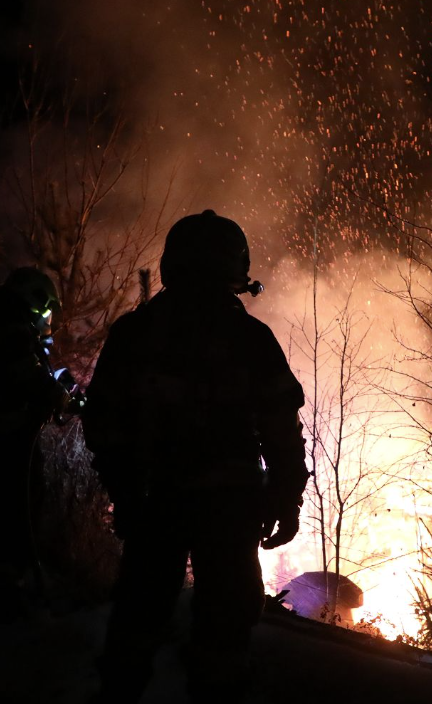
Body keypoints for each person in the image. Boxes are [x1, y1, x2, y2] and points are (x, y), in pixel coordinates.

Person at [82, 210, 308, 702]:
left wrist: (123, 491)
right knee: (225, 630)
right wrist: (286, 498)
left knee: (138, 618)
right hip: (229, 508)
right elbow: (281, 431)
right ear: (236, 267)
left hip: (153, 502)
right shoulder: (250, 338)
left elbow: (101, 422)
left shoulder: (137, 332)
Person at [0, 266, 70, 620]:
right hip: (6, 435)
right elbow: (28, 378)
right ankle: (5, 594)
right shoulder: (11, 328)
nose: (48, 316)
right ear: (35, 300)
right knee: (14, 509)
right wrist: (59, 395)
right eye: (48, 307)